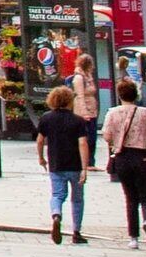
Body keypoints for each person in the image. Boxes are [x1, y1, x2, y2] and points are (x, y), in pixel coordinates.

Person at [33, 83, 99, 245]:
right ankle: (76, 232)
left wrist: (41, 158)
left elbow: (40, 140)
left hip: (56, 163)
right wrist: (85, 167)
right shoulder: (77, 121)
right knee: (77, 199)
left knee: (57, 195)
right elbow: (83, 143)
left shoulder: (46, 118)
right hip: (75, 165)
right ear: (70, 100)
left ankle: (56, 214)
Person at [102, 79, 146, 250]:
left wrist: (116, 139)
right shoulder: (145, 112)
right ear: (135, 94)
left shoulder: (112, 113)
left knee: (130, 198)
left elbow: (107, 136)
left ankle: (133, 238)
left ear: (119, 95)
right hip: (142, 155)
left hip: (123, 157)